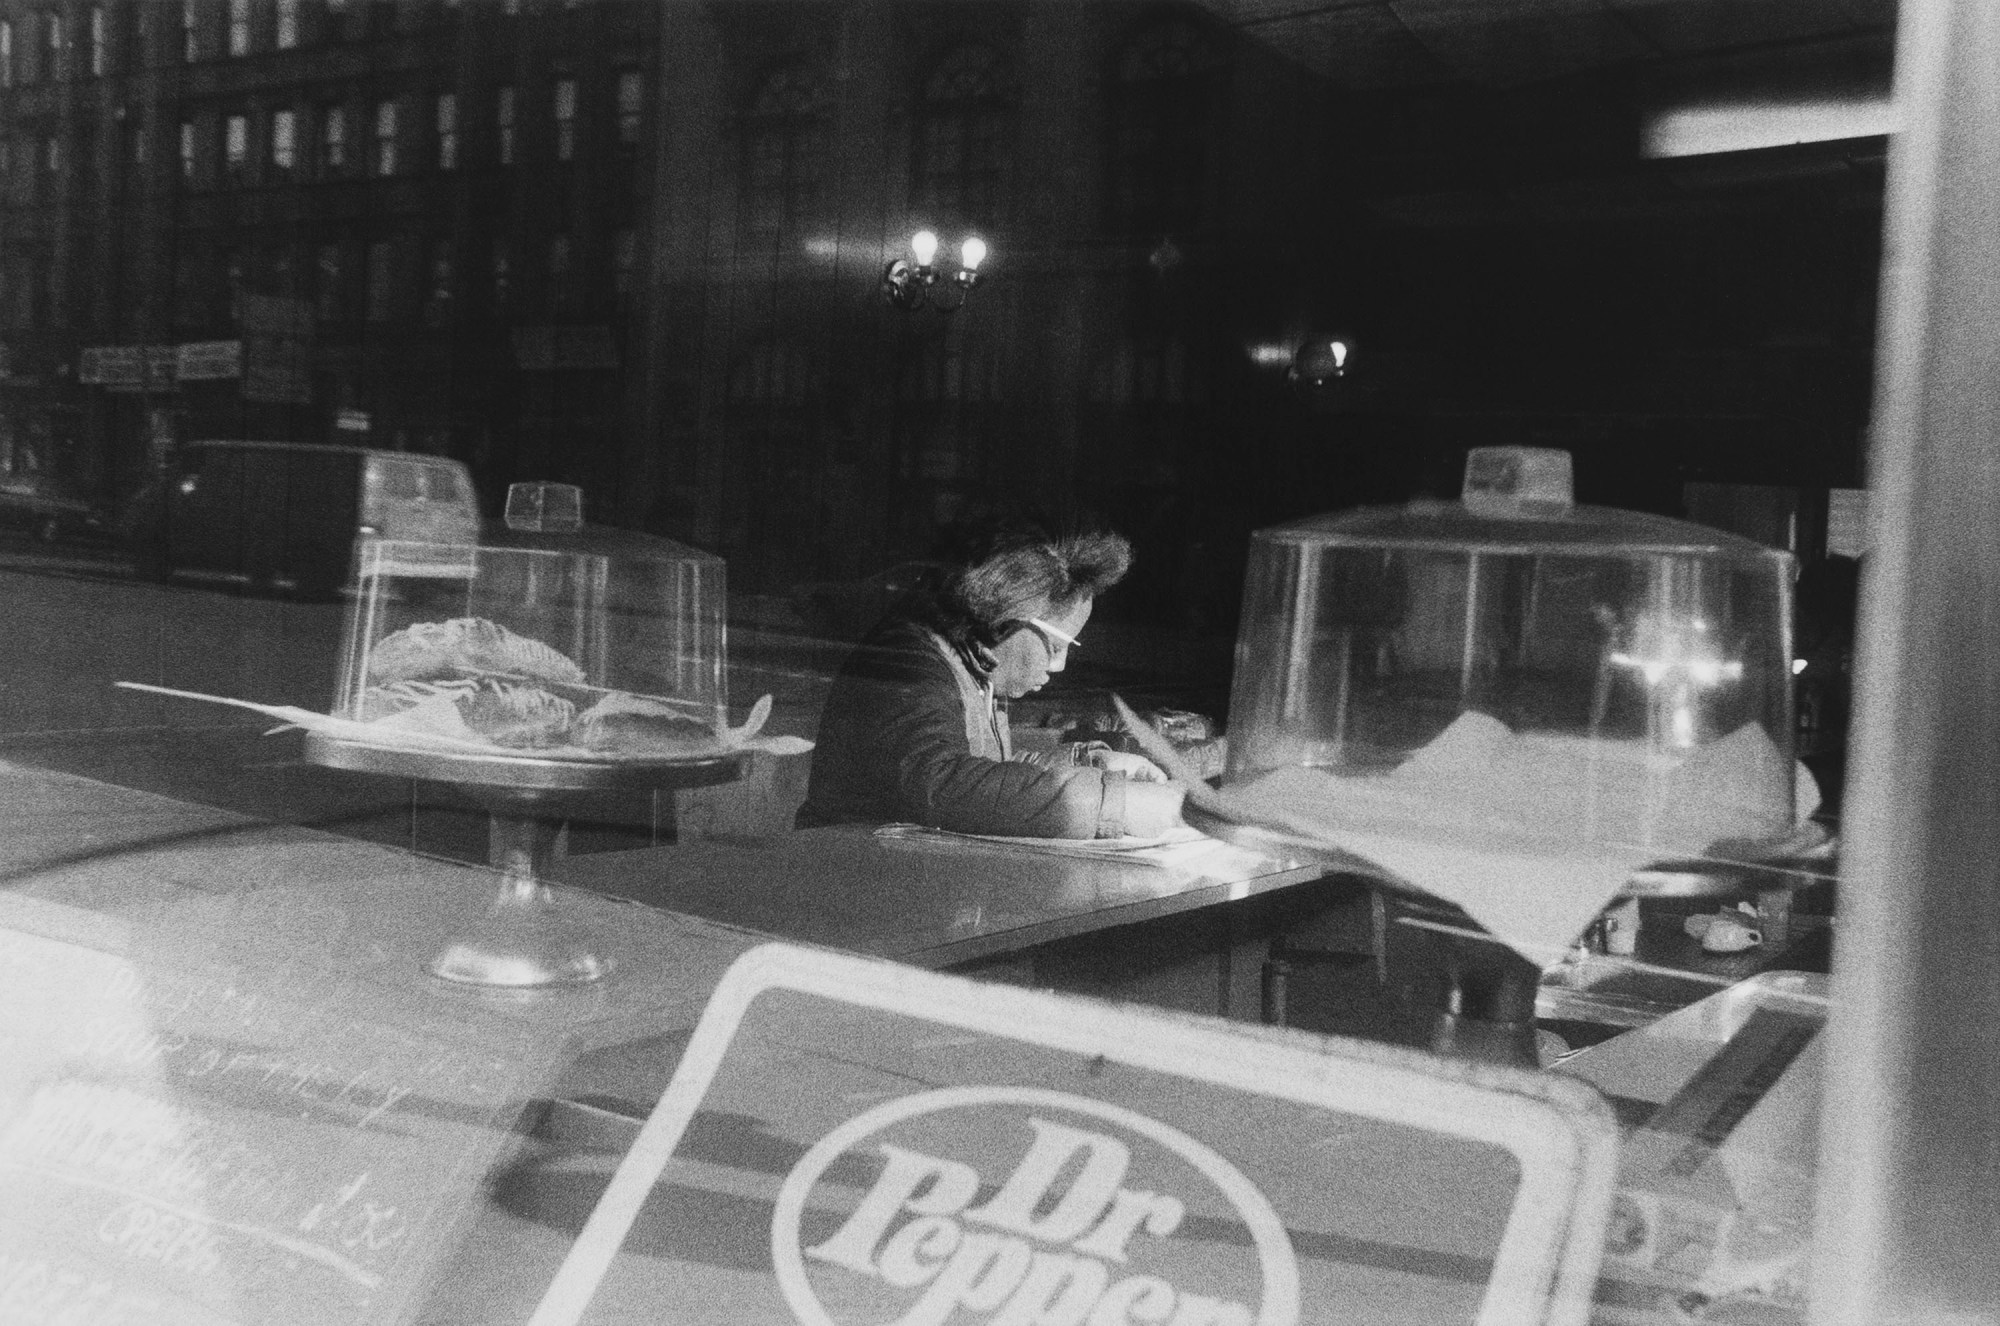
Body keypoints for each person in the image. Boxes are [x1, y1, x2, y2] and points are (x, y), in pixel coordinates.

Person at [797, 524, 1186, 838]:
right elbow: (941, 783)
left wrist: (1089, 762)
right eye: (1054, 646)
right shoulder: (908, 662)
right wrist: (1114, 804)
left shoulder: (972, 664)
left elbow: (980, 767)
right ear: (1006, 618)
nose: (1059, 667)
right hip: (848, 879)